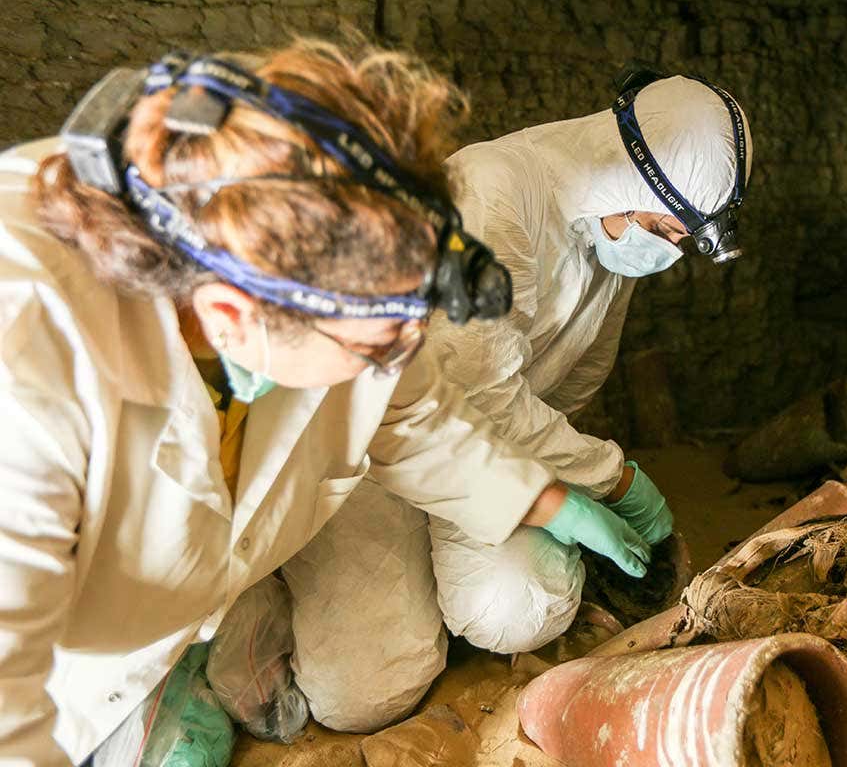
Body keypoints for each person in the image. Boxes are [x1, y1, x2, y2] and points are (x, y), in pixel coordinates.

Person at [0, 39, 650, 765]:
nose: (398, 359)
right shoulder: (27, 382)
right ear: (233, 318)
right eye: (375, 345)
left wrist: (548, 501)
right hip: (55, 663)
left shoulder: (312, 282)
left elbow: (405, 411)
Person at [414, 71, 753, 653]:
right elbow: (477, 394)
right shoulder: (492, 196)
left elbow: (577, 377)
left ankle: (445, 577)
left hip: (488, 454)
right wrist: (611, 480)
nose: (668, 251)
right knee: (377, 679)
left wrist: (559, 483)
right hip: (397, 446)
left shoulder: (610, 235)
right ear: (626, 183)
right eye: (663, 229)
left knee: (521, 603)